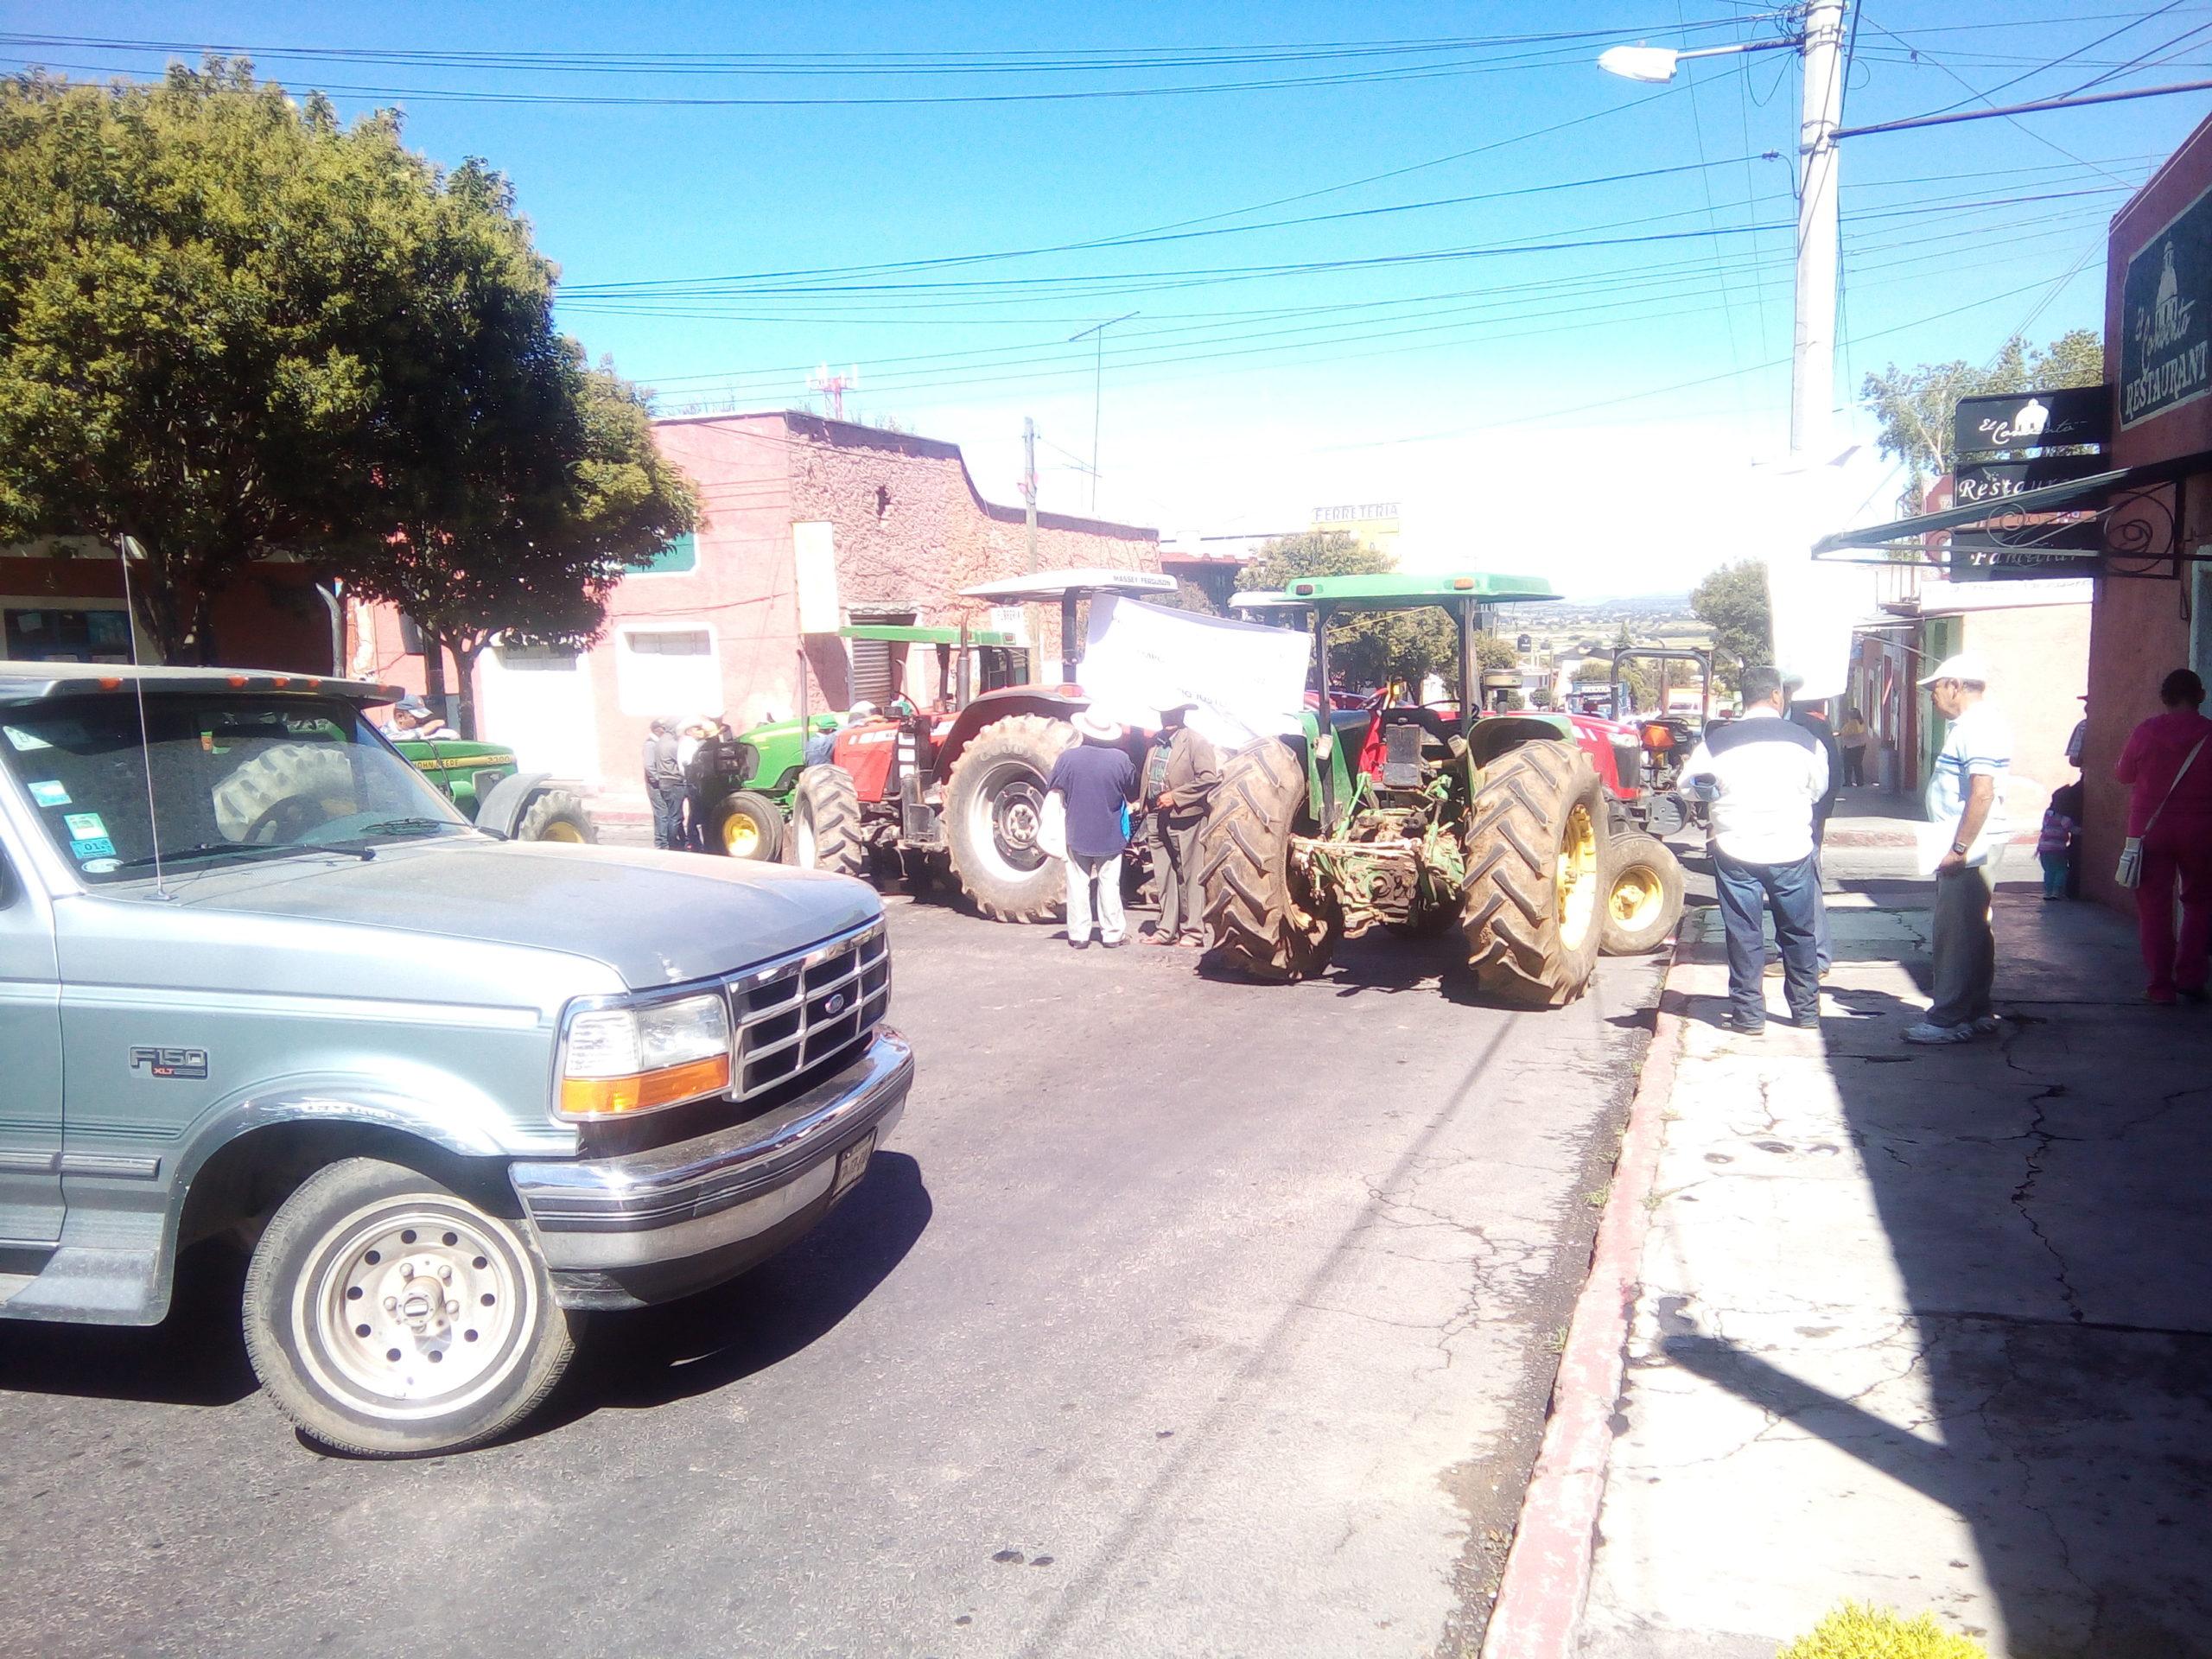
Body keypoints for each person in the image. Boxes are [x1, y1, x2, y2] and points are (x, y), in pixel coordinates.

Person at [1679, 664, 1827, 1034]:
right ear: (1777, 696)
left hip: (1735, 847)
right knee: (1799, 932)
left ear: (1744, 698)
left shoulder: (1715, 742)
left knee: (1744, 933)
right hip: (1791, 848)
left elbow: (1689, 787)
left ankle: (1748, 1015)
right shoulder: (1807, 740)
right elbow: (1817, 789)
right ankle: (1806, 1011)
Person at [1905, 652, 2011, 1045]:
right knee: (1974, 928)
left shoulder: (1976, 727)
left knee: (1954, 933)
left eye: (1936, 688)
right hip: (1976, 840)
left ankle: (1947, 1018)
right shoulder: (1978, 724)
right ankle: (1976, 1008)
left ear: (1956, 685)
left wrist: (1959, 846)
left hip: (1970, 842)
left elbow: (1981, 792)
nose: (1933, 696)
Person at [2113, 667, 2212, 1004]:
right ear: (2201, 695)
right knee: (2199, 904)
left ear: (2165, 698)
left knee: (2154, 909)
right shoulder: (2209, 733)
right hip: (2202, 830)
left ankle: (2159, 986)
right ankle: (2191, 979)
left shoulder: (2147, 731)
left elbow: (2124, 774)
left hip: (2149, 831)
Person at [1047, 708, 1138, 950]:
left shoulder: (1067, 759)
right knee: (1109, 884)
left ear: (1083, 730)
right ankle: (1112, 935)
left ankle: (1079, 935)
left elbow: (1056, 790)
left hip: (1077, 832)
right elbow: (1131, 791)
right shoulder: (1121, 760)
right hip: (1110, 834)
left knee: (1077, 886)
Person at [1147, 703, 1219, 947]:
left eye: (1173, 713)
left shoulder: (1197, 742)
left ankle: (1193, 931)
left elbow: (1209, 778)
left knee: (1188, 874)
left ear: (1182, 714)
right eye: (1165, 713)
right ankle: (1166, 929)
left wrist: (1176, 797)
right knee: (1163, 874)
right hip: (1156, 816)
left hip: (1185, 816)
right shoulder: (1156, 742)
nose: (1168, 718)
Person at [644, 717, 685, 851]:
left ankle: (669, 840)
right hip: (655, 785)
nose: (666, 730)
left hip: (661, 782)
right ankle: (662, 842)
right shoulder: (651, 744)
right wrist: (658, 779)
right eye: (663, 728)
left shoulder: (660, 742)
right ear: (657, 729)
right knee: (662, 814)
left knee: (668, 813)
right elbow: (649, 766)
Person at [2037, 781, 2082, 903]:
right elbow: (2073, 830)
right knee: (2061, 870)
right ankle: (2056, 892)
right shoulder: (2065, 819)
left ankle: (2047, 892)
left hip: (2043, 847)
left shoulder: (2048, 814)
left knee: (2049, 870)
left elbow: (2043, 827)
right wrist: (2083, 831)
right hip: (2058, 849)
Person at [1839, 706, 1871, 788]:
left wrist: (1837, 733)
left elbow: (1844, 732)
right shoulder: (1861, 722)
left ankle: (1848, 782)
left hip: (1851, 746)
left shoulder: (1853, 723)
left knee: (1848, 765)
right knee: (1858, 765)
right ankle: (1860, 782)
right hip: (1860, 746)